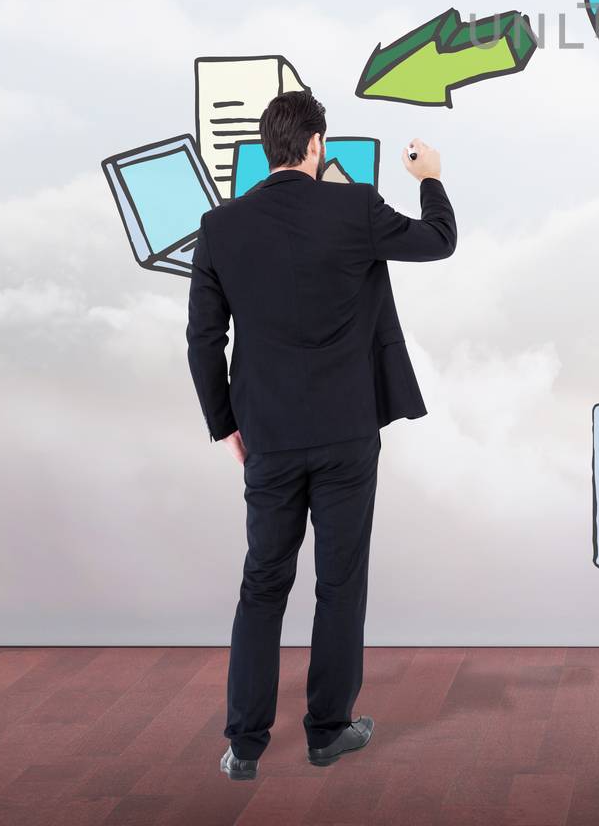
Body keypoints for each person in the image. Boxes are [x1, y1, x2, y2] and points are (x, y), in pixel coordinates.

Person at [186, 89, 456, 781]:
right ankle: (327, 731)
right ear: (313, 145)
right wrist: (429, 178)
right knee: (340, 584)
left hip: (268, 436)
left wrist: (227, 426)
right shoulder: (355, 206)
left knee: (262, 585)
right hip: (345, 435)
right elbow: (438, 242)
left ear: (268, 149)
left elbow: (202, 341)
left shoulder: (220, 227)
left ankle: (245, 744)